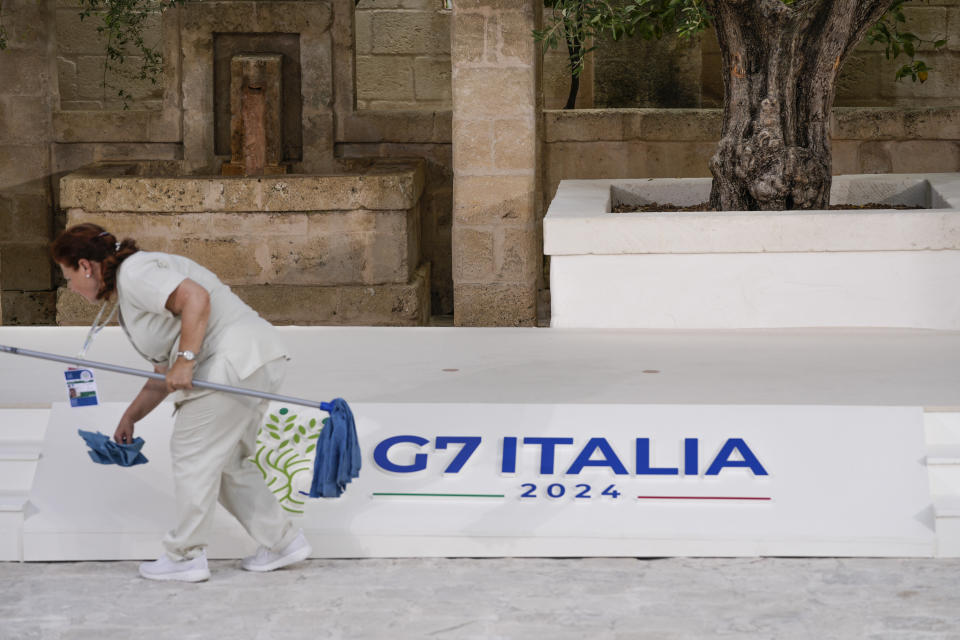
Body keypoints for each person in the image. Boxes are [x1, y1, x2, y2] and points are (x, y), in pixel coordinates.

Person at [51, 223, 312, 582]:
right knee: (227, 463)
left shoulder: (135, 274)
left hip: (230, 363)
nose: (71, 287)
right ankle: (283, 542)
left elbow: (196, 298)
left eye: (67, 277)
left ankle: (185, 555)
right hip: (254, 359)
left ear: (85, 265)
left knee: (193, 456)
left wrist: (186, 360)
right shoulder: (134, 283)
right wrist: (131, 416)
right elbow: (165, 370)